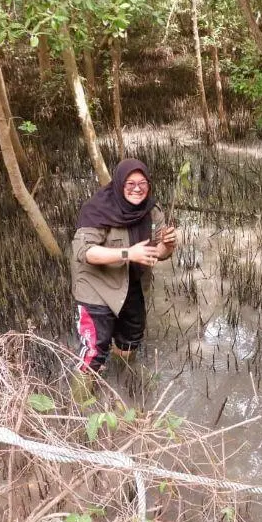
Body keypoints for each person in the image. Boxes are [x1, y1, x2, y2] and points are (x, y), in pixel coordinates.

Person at [70, 158, 177, 374]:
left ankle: (122, 380)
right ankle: (80, 404)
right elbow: (84, 252)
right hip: (95, 286)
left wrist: (169, 245)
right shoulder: (97, 209)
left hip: (130, 282)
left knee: (131, 338)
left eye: (142, 183)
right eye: (130, 184)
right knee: (94, 351)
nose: (137, 189)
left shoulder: (151, 209)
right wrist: (129, 253)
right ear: (119, 185)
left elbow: (159, 253)